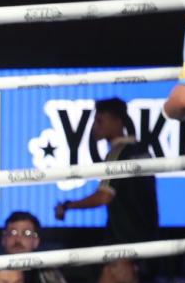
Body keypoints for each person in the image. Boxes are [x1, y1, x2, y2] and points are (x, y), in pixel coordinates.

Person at [54, 97, 159, 243]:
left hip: (125, 241)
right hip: (148, 238)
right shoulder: (142, 151)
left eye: (100, 121)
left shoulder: (119, 153)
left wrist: (67, 206)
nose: (95, 127)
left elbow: (103, 197)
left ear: (117, 121)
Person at [0, 210, 69, 283]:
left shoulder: (47, 272)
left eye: (26, 233)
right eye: (12, 232)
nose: (18, 239)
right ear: (3, 239)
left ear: (36, 241)